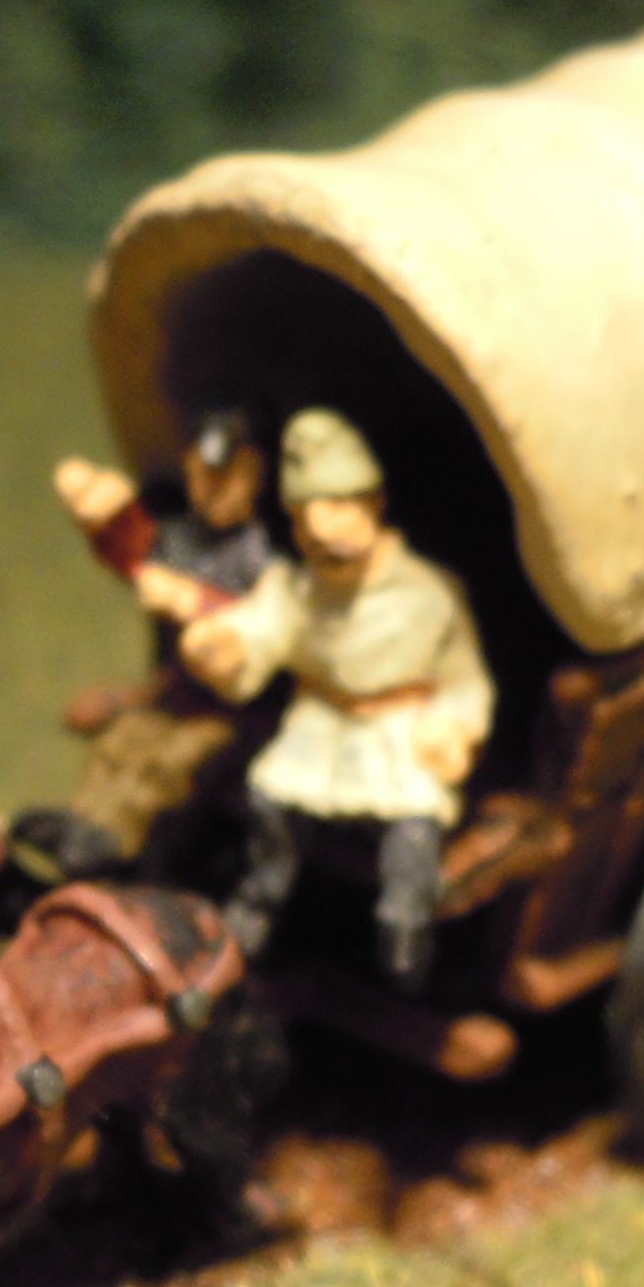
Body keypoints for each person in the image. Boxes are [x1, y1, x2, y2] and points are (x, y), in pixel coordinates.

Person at [179, 407, 493, 994]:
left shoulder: (429, 593)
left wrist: (454, 727)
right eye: (305, 521)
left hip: (397, 731)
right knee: (271, 804)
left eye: (342, 509)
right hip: (320, 725)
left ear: (375, 504)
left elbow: (464, 680)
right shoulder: (294, 589)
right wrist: (225, 649)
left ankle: (405, 930)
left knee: (414, 832)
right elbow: (259, 630)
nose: (325, 536)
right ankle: (261, 899)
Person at [25, 409, 280, 873]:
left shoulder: (265, 555)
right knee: (122, 738)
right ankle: (83, 825)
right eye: (199, 476)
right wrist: (103, 519)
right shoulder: (183, 539)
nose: (207, 491)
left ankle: (122, 852)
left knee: (165, 763)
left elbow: (273, 629)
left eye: (223, 478)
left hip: (248, 711)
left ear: (253, 475)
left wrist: (193, 602)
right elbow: (134, 552)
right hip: (182, 693)